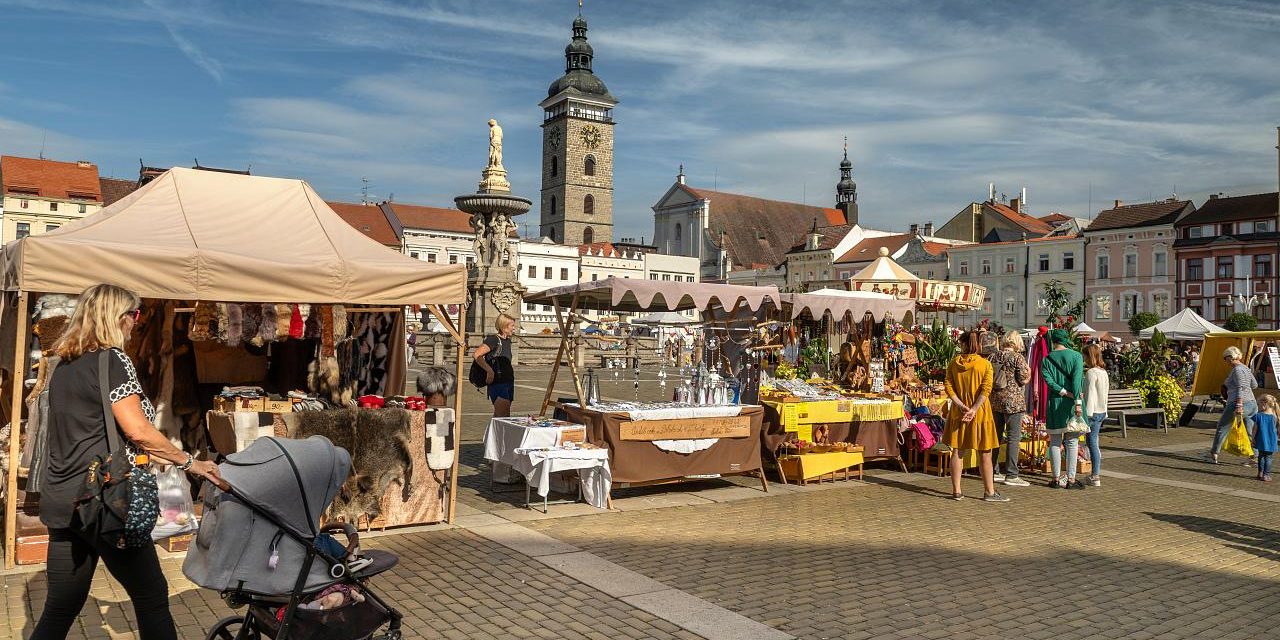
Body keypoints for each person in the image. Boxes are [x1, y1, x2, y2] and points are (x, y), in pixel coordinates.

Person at [32, 284, 222, 640]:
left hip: (64, 500)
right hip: (104, 502)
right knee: (152, 596)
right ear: (116, 317)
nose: (137, 323)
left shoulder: (64, 366)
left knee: (60, 607)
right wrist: (189, 462)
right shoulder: (113, 361)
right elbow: (138, 431)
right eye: (135, 315)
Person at [942, 330, 1008, 502]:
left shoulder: (953, 363)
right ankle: (989, 492)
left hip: (959, 413)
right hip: (981, 414)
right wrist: (973, 409)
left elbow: (948, 386)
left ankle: (956, 491)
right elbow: (986, 389)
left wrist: (961, 405)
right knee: (985, 452)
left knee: (957, 451)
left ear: (963, 344)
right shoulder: (984, 364)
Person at [1042, 328, 1085, 489]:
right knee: (1072, 441)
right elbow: (1077, 381)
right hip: (1072, 403)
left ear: (1054, 341)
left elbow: (1048, 381)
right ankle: (1071, 480)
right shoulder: (1076, 356)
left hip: (1054, 402)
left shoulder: (1047, 359)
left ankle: (1055, 479)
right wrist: (1077, 401)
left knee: (1054, 440)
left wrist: (1062, 391)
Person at [987, 330, 1032, 487]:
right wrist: (1029, 375)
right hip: (1013, 402)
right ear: (1017, 342)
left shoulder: (992, 356)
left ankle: (993, 470)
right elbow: (1023, 378)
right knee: (1013, 438)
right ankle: (1012, 474)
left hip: (995, 401)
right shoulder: (1017, 358)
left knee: (995, 437)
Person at [1208, 345, 1258, 464]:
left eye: (1225, 358)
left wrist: (1239, 404)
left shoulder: (1237, 370)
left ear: (1231, 357)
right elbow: (1254, 385)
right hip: (1252, 404)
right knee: (1250, 431)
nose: (1225, 361)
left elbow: (1241, 387)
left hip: (1238, 403)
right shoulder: (1246, 368)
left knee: (1222, 427)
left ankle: (1215, 452)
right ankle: (1254, 456)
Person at [473, 313, 516, 418]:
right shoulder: (493, 340)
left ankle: (492, 434)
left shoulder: (507, 341)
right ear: (504, 326)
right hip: (498, 383)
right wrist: (490, 371)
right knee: (503, 416)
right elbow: (477, 355)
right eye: (512, 326)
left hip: (508, 382)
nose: (514, 329)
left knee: (502, 416)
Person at [1082, 343, 1110, 487]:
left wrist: (1085, 415)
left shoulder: (1091, 373)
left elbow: (1090, 394)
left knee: (1091, 443)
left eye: (1084, 356)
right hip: (1101, 411)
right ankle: (1095, 474)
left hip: (1091, 412)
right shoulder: (1103, 372)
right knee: (1094, 442)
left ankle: (1095, 475)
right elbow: (1105, 394)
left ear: (1089, 356)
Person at [1253, 394, 1277, 481]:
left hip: (1260, 440)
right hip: (1271, 441)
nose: (1258, 407)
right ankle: (1266, 475)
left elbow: (1254, 429)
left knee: (1261, 456)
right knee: (1268, 458)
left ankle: (1260, 472)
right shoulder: (1275, 416)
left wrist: (1253, 438)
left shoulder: (1258, 415)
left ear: (1264, 404)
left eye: (1259, 405)